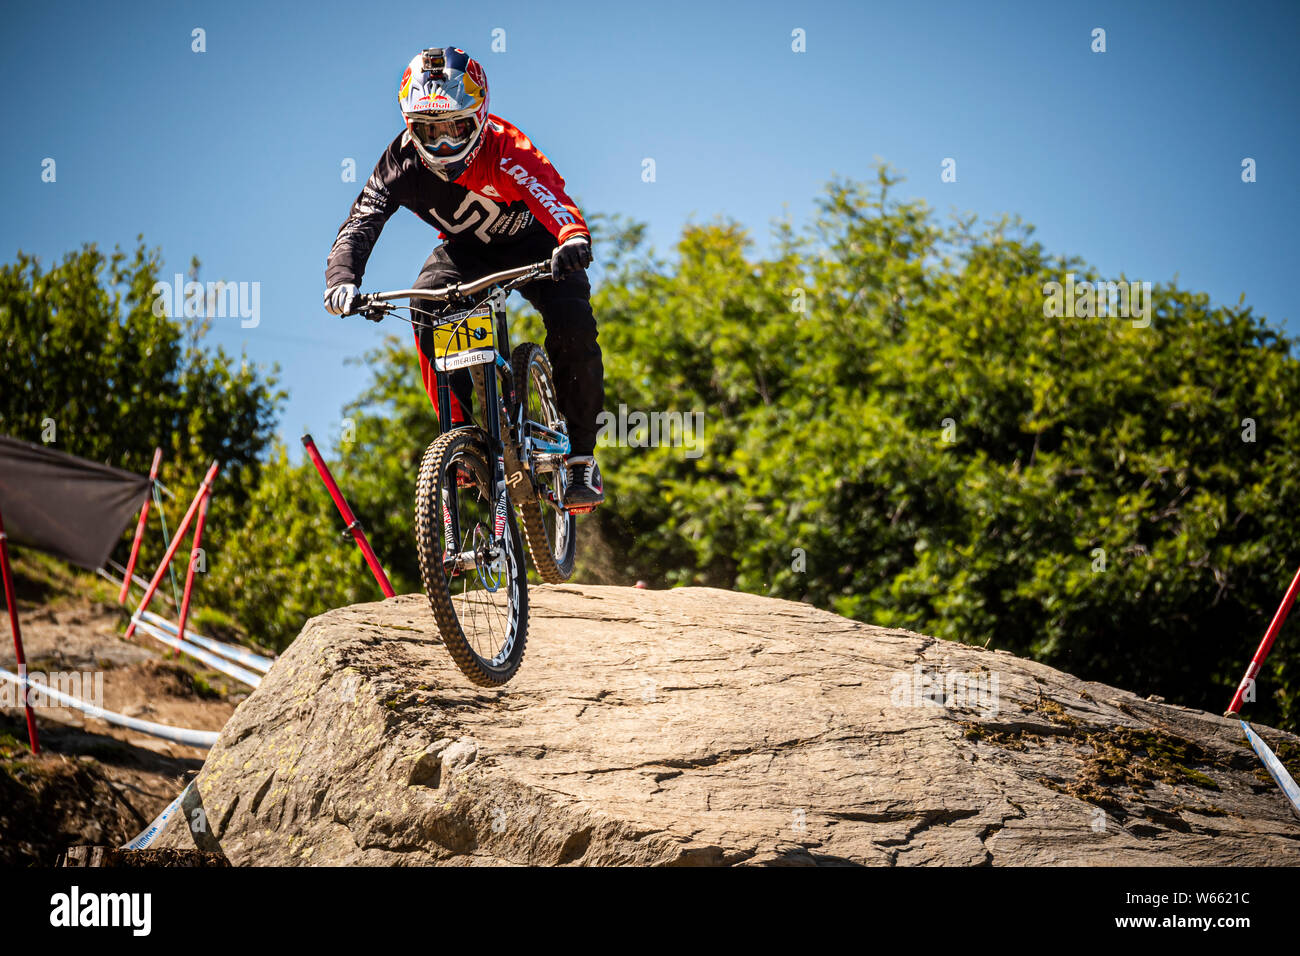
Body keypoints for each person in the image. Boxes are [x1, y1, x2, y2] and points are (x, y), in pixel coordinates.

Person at [324, 46, 604, 509]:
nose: (443, 145)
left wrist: (572, 237)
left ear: (480, 117)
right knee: (426, 302)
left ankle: (581, 460)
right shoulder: (399, 162)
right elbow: (361, 222)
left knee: (574, 328)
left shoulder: (506, 147)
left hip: (541, 245)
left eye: (456, 127)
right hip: (469, 252)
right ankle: (461, 437)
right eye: (428, 131)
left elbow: (551, 195)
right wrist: (342, 278)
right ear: (409, 126)